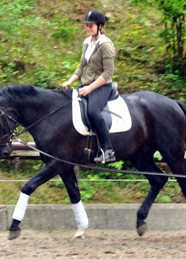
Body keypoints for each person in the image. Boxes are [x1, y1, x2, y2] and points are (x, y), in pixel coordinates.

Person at [63, 9, 116, 164]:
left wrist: (89, 88)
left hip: (102, 87)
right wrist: (70, 81)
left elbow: (107, 73)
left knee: (93, 111)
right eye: (86, 26)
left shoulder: (106, 45)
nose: (87, 29)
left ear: (99, 26)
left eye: (91, 26)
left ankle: (108, 150)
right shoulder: (87, 43)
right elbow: (81, 67)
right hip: (86, 84)